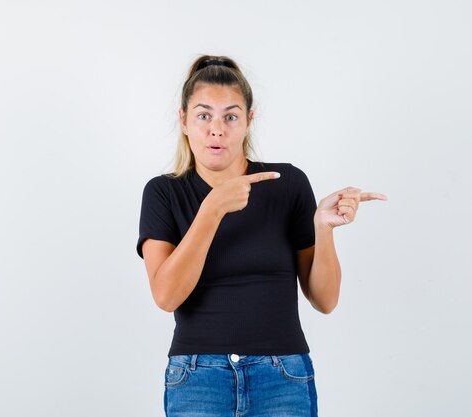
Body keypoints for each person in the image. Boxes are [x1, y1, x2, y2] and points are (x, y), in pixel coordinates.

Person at [135, 55, 387, 417]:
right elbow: (166, 295)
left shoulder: (288, 184)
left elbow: (325, 300)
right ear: (185, 121)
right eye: (204, 115)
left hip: (282, 376)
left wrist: (323, 228)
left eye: (230, 116)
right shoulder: (163, 192)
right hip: (197, 378)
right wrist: (211, 210)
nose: (217, 129)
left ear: (249, 121)